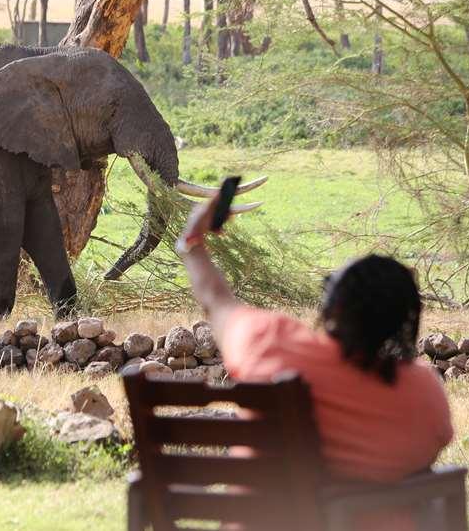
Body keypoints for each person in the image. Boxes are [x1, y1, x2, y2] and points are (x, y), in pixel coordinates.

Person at [176, 195, 453, 486]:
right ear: (406, 319)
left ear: (334, 307)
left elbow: (216, 301)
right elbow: (424, 463)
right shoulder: (424, 393)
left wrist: (192, 241)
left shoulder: (272, 344)